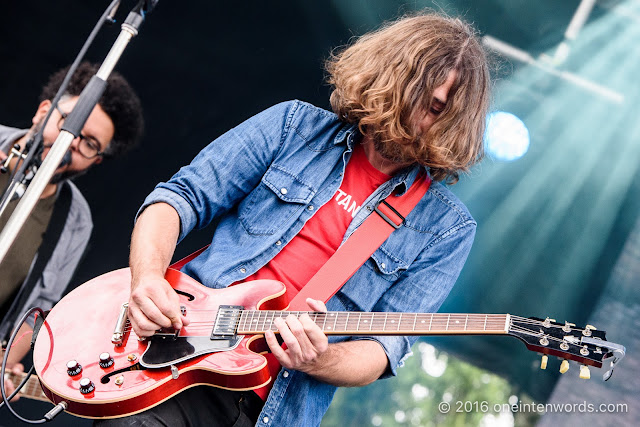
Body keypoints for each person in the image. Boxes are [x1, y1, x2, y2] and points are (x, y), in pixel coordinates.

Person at [117, 12, 489, 427]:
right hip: (176, 360)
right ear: (386, 76)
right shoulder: (293, 126)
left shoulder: (448, 228)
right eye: (413, 95)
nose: (418, 118)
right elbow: (178, 198)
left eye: (436, 109)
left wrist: (321, 357)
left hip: (272, 412)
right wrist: (147, 280)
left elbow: (383, 350)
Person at [0, 62, 144, 400]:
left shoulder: (75, 220)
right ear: (43, 111)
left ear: (94, 161)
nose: (71, 143)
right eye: (69, 123)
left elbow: (35, 312)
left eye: (90, 143)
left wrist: (5, 361)